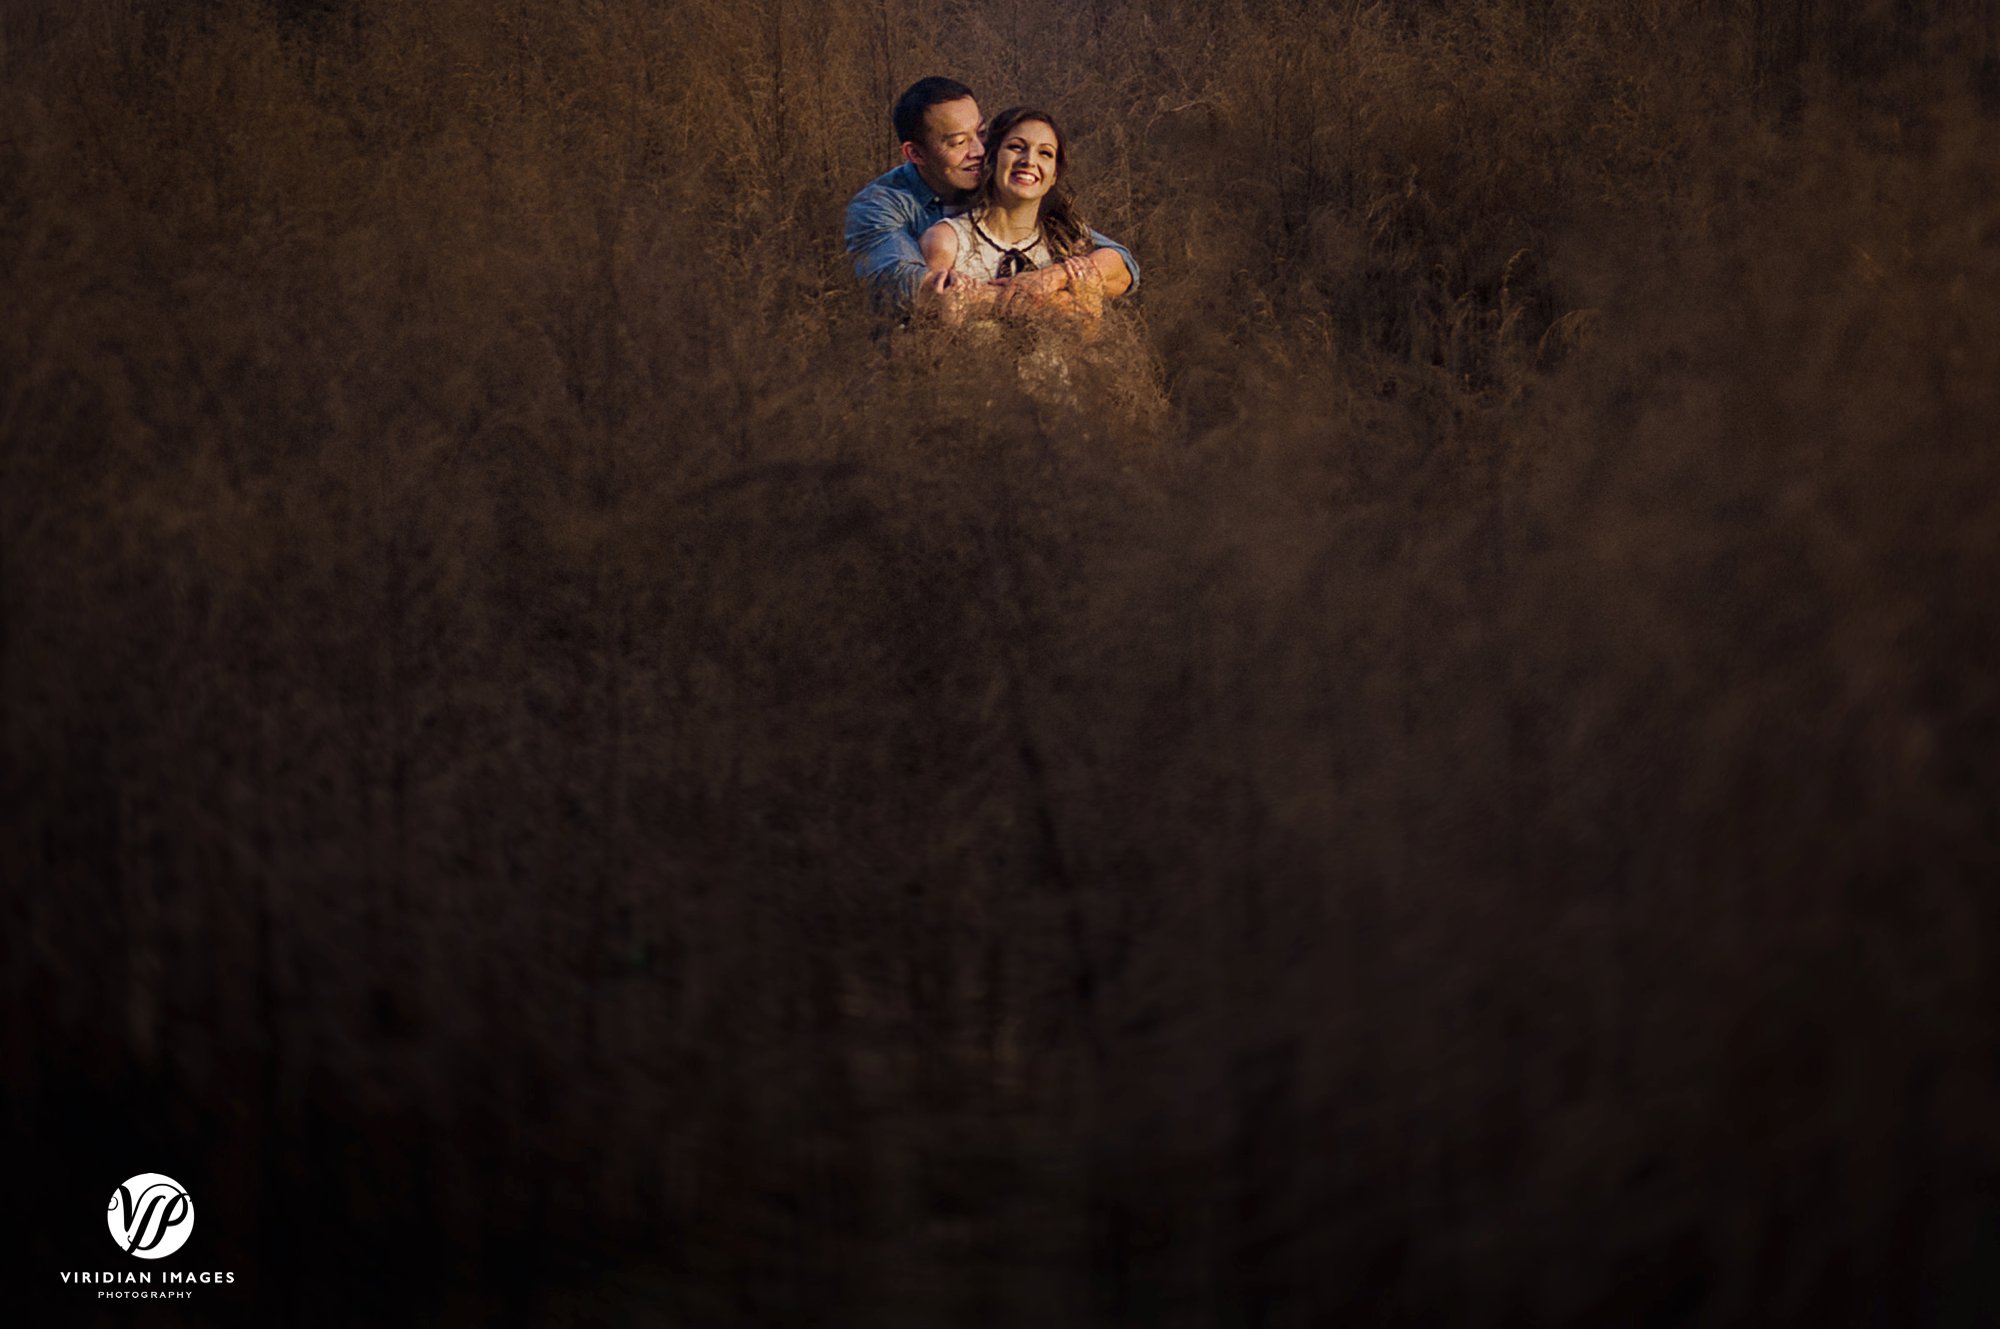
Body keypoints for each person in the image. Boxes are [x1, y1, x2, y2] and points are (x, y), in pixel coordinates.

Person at [843, 77, 1137, 318]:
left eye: (981, 134)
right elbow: (909, 288)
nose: (979, 151)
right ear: (915, 153)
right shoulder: (877, 207)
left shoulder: (998, 183)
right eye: (959, 143)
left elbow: (1122, 264)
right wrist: (1048, 306)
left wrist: (1052, 278)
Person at [916, 106, 1104, 325]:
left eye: (1045, 153)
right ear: (992, 158)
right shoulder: (947, 240)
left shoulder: (1068, 247)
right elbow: (926, 337)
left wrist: (1090, 310)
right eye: (1016, 147)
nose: (1029, 161)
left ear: (1054, 175)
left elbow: (1088, 344)